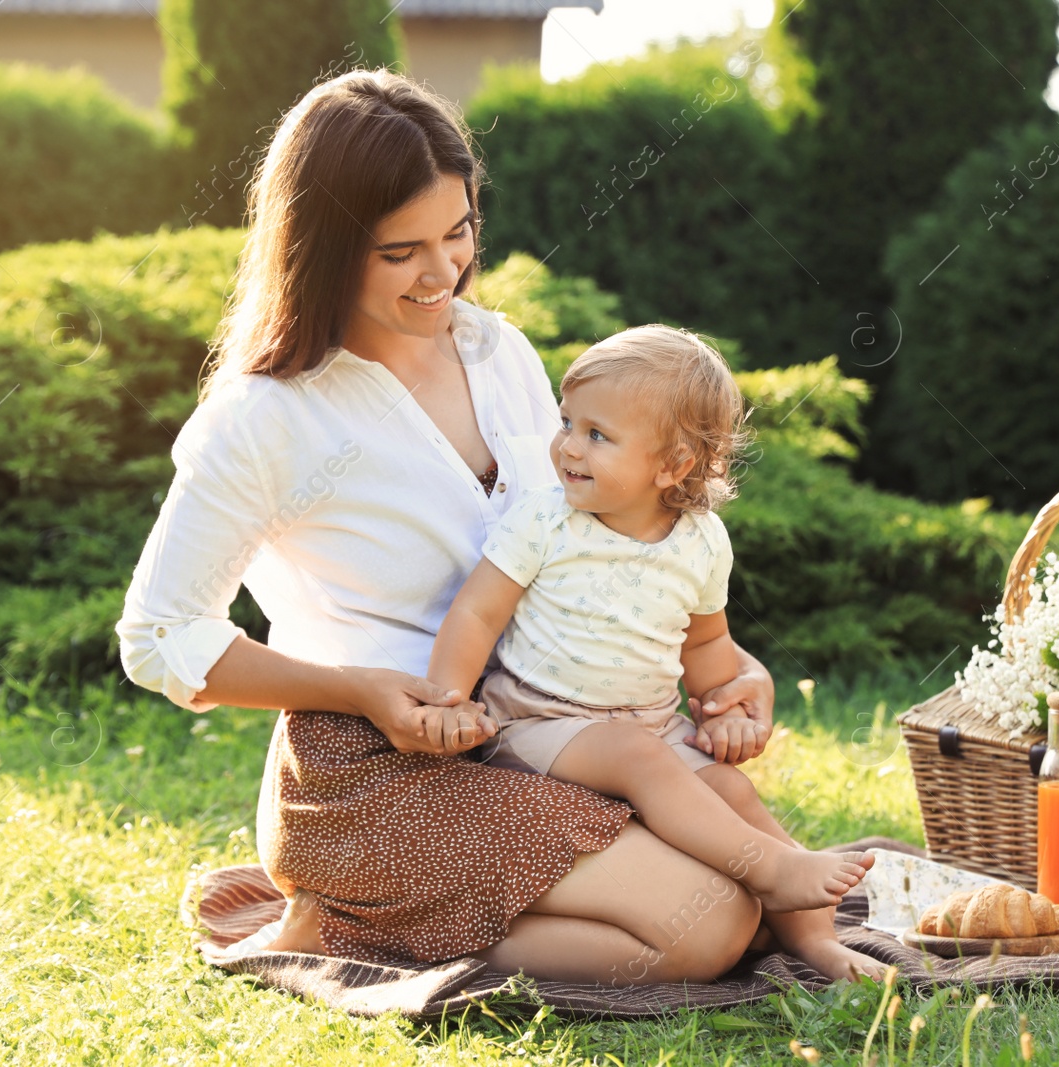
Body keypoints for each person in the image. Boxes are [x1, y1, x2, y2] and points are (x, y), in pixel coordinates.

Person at [115, 68, 881, 984]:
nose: (442, 273)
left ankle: (400, 915)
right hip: (370, 776)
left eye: (459, 231)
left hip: (526, 735)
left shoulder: (497, 350)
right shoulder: (265, 418)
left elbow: (583, 534)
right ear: (321, 246)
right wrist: (364, 691)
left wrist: (734, 672)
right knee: (711, 921)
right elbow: (159, 639)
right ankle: (343, 922)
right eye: (401, 251)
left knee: (743, 895)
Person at [425, 326, 877, 963]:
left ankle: (819, 943)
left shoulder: (701, 540)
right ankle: (771, 868)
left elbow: (706, 642)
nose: (568, 448)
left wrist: (724, 707)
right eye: (566, 422)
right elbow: (476, 613)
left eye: (597, 435)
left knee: (733, 792)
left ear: (673, 466)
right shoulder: (544, 520)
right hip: (537, 723)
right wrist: (447, 698)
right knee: (637, 755)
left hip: (649, 729)